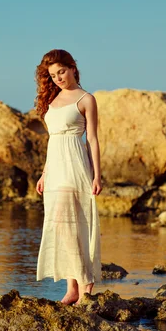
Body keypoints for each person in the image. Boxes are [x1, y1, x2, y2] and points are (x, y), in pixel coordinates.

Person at [34, 49, 102, 305]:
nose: (58, 78)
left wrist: (97, 175)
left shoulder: (86, 99)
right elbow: (53, 141)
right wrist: (44, 174)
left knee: (77, 224)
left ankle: (86, 286)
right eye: (52, 75)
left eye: (61, 71)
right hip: (54, 171)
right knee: (61, 227)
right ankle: (72, 289)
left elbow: (93, 139)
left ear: (73, 67)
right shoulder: (53, 99)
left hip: (75, 165)